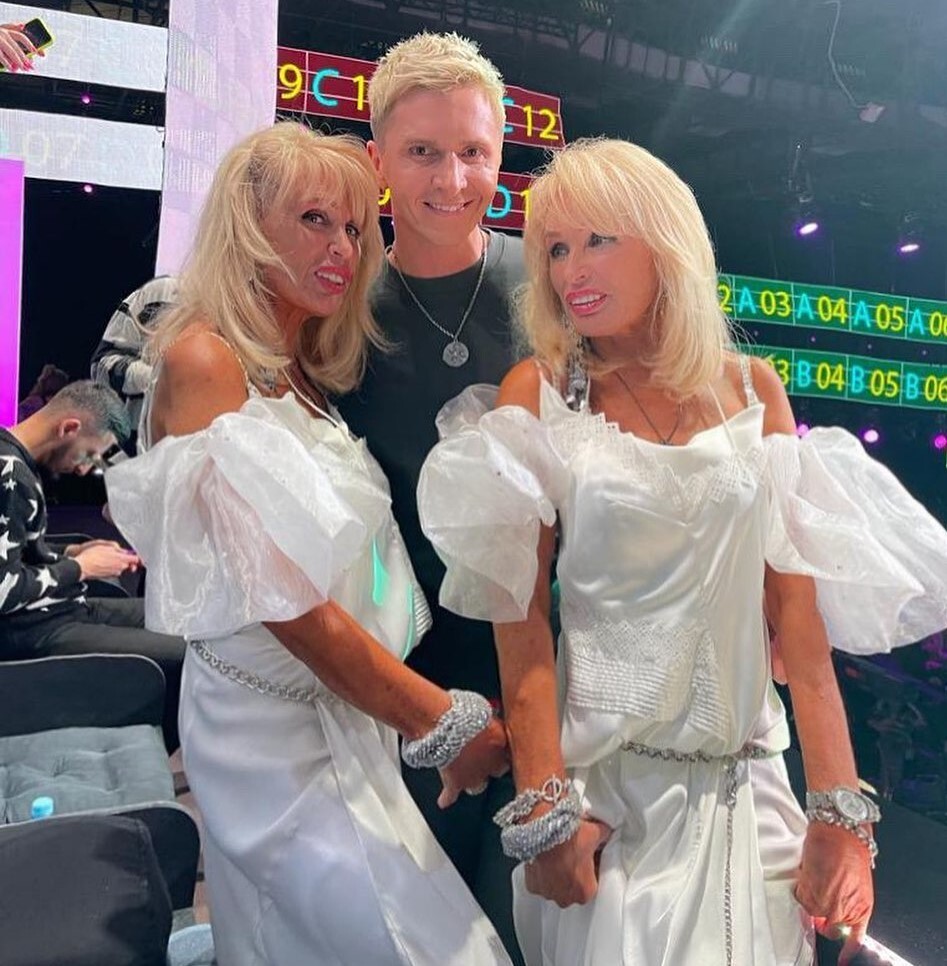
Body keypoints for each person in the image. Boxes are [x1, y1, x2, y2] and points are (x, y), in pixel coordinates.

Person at [419, 138, 947, 965]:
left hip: (755, 798)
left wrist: (839, 814)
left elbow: (798, 626)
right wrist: (545, 814)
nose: (570, 270)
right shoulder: (541, 393)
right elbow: (519, 635)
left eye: (599, 239)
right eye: (555, 248)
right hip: (608, 809)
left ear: (664, 241)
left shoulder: (751, 388)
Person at [106, 122, 512, 966]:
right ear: (248, 226)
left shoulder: (303, 369)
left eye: (355, 228)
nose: (342, 249)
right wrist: (438, 719)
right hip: (268, 731)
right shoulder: (206, 359)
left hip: (342, 717)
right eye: (314, 220)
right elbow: (282, 600)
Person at [336, 32, 526, 960]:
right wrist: (422, 711)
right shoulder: (337, 306)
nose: (452, 179)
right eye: (422, 151)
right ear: (377, 159)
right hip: (406, 678)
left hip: (560, 665)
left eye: (473, 151)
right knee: (426, 935)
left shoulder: (552, 281)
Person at [0, 380, 185, 750]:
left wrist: (74, 552)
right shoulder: (9, 474)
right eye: (88, 455)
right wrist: (82, 568)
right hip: (30, 632)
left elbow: (15, 550)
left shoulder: (16, 461)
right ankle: (161, 760)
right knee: (186, 656)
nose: (85, 470)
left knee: (179, 619)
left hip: (62, 609)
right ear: (69, 428)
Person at [91, 276, 178, 454]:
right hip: (141, 452)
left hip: (215, 457)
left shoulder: (236, 313)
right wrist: (154, 379)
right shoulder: (161, 293)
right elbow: (102, 363)